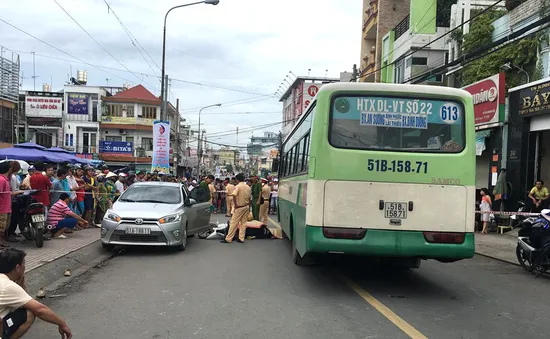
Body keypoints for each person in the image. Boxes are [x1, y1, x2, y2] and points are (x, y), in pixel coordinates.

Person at [0, 248, 72, 339]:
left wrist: (21, 285)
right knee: (30, 312)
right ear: (18, 267)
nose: (25, 267)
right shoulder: (8, 286)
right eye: (24, 264)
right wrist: (62, 324)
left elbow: (23, 301)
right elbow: (40, 310)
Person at [221, 173, 251, 244]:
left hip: (239, 207)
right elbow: (250, 198)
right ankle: (241, 238)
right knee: (244, 223)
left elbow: (234, 195)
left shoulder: (238, 186)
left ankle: (228, 239)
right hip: (246, 206)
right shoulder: (248, 187)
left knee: (233, 223)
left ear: (237, 180)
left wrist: (236, 205)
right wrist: (249, 206)